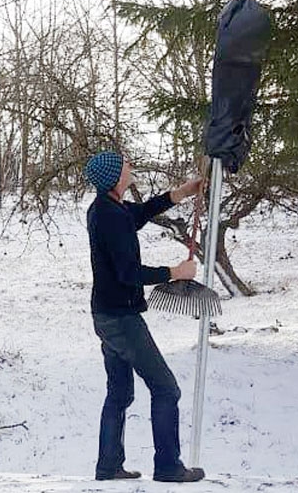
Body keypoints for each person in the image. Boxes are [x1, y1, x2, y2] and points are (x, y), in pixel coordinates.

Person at [84, 151, 206, 483]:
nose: (130, 167)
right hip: (121, 319)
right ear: (113, 176)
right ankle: (168, 466)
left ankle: (108, 466)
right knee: (166, 389)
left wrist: (182, 192)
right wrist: (174, 271)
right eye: (124, 165)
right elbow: (127, 272)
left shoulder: (109, 209)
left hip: (106, 315)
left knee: (120, 393)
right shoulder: (109, 215)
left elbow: (141, 212)